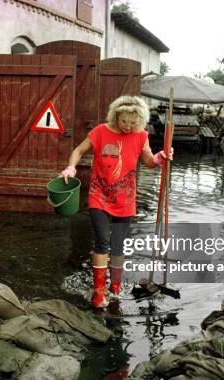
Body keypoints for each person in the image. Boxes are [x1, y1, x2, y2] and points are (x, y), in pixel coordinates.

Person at [60, 96, 173, 308]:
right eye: (124, 121)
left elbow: (149, 161)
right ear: (116, 116)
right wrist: (71, 167)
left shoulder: (141, 135)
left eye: (133, 122)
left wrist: (161, 156)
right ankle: (99, 292)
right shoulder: (101, 131)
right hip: (99, 195)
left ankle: (115, 288)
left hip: (125, 198)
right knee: (102, 241)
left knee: (118, 246)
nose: (128, 126)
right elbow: (78, 151)